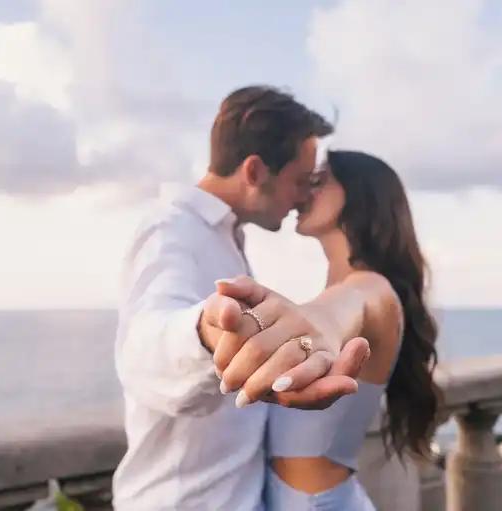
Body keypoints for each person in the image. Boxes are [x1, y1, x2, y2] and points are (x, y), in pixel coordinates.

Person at [112, 87, 370, 511]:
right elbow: (143, 347)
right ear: (254, 171)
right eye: (300, 182)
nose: (305, 197)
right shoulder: (170, 230)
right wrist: (205, 333)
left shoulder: (224, 236)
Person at [215, 150, 442, 510]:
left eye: (318, 181)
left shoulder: (372, 287)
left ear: (358, 194)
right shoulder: (340, 286)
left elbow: (344, 309)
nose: (304, 190)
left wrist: (316, 327)